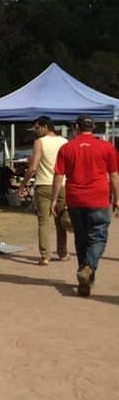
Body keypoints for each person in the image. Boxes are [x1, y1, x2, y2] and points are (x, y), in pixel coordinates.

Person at [50, 115, 119, 297]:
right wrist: (118, 198)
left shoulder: (67, 148)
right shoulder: (106, 147)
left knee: (81, 239)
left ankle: (85, 281)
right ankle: (88, 267)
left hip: (75, 200)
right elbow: (113, 175)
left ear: (76, 127)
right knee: (98, 237)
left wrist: (54, 199)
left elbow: (58, 176)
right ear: (94, 127)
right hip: (99, 199)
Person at [21, 116, 69, 265]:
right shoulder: (64, 141)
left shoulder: (39, 142)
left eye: (37, 128)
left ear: (45, 127)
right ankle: (62, 252)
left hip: (44, 184)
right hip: (62, 184)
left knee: (43, 222)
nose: (35, 131)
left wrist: (23, 184)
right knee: (61, 220)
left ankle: (45, 256)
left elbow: (33, 167)